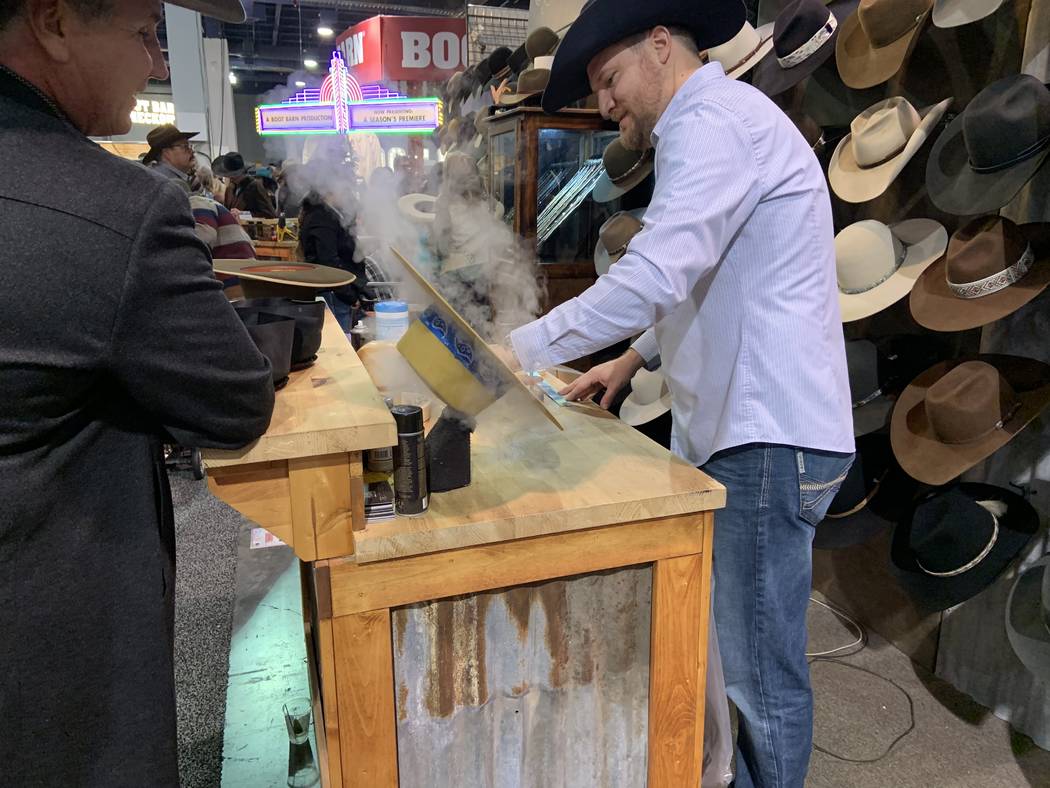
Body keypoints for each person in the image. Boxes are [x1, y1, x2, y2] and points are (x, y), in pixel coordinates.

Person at [504, 3, 855, 786]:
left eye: (610, 79)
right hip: (756, 431)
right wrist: (630, 358)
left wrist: (515, 351)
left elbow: (658, 274)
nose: (605, 104)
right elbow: (706, 279)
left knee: (759, 678)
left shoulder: (712, 125)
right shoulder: (716, 122)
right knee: (740, 659)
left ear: (661, 47)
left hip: (765, 438)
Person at [0, 1, 274, 786]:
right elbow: (232, 403)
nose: (157, 61)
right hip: (51, 670)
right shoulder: (116, 207)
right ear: (54, 22)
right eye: (144, 32)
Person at [299, 191, 368, 331]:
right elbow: (328, 262)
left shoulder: (324, 214)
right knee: (340, 344)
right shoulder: (322, 218)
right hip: (333, 294)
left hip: (334, 291)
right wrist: (348, 294)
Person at [213, 150, 278, 218]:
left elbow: (270, 214)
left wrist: (243, 215)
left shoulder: (254, 186)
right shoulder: (230, 188)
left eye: (233, 175)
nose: (230, 178)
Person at [142, 121, 197, 191]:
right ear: (166, 153)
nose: (192, 151)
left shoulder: (159, 175)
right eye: (185, 147)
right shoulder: (166, 183)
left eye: (190, 146)